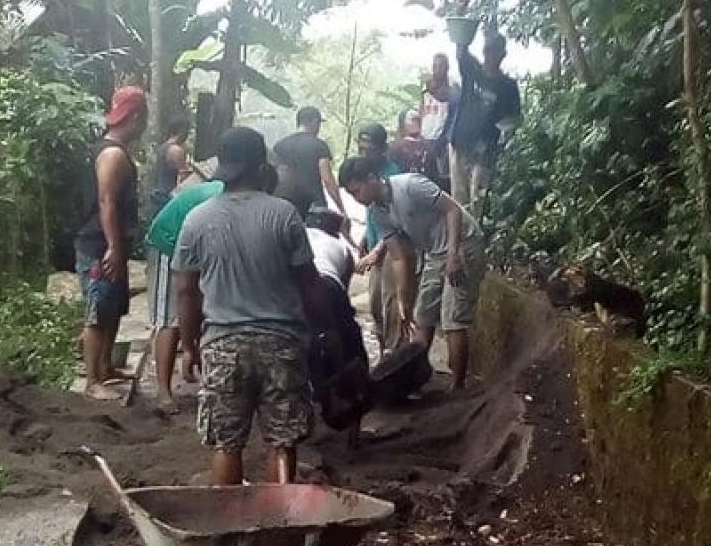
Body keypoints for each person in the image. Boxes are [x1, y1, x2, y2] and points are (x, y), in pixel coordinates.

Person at [173, 127, 326, 486]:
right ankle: (280, 529)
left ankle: (229, 530)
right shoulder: (284, 215)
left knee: (227, 444)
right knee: (282, 441)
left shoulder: (197, 220)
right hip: (282, 345)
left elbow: (185, 292)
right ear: (261, 167)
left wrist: (190, 345)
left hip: (223, 346)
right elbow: (309, 283)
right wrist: (325, 331)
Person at [339, 163, 487, 391]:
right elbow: (399, 258)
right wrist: (403, 301)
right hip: (434, 253)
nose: (356, 198)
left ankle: (458, 386)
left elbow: (453, 210)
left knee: (452, 317)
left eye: (357, 190)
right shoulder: (377, 213)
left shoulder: (410, 185)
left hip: (463, 244)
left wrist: (454, 254)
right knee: (421, 315)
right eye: (351, 194)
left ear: (372, 176)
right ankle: (413, 378)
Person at [76, 86, 146, 401]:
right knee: (98, 309)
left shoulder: (115, 150)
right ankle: (92, 380)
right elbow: (107, 202)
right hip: (99, 245)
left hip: (110, 242)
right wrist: (113, 247)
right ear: (135, 116)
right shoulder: (113, 154)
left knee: (114, 307)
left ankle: (105, 368)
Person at [145, 175, 224, 411]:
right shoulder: (221, 197)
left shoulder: (236, 195)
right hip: (167, 242)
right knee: (170, 317)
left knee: (198, 305)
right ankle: (163, 391)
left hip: (192, 245)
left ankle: (196, 366)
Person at [304, 205, 371, 441]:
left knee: (306, 352)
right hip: (329, 286)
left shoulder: (299, 235)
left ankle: (308, 420)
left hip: (297, 290)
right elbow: (343, 290)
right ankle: (354, 428)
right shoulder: (341, 246)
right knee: (353, 349)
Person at [450, 32, 521, 208]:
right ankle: (460, 234)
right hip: (460, 144)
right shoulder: (473, 70)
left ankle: (477, 234)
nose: (491, 55)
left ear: (503, 54)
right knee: (459, 199)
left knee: (479, 199)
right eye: (488, 51)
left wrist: (505, 137)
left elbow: (514, 118)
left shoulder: (508, 86)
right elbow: (461, 49)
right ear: (483, 51)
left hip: (485, 151)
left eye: (495, 51)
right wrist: (461, 11)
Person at [354, 124, 408, 352]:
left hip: (392, 246)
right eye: (362, 149)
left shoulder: (392, 173)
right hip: (376, 241)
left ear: (382, 149)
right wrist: (367, 235)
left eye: (370, 149)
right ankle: (383, 344)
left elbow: (396, 220)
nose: (365, 154)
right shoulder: (364, 172)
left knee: (390, 303)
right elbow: (373, 212)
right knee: (375, 303)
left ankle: (394, 352)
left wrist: (378, 248)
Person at [272, 106, 346, 219]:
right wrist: (342, 209)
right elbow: (327, 179)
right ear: (315, 122)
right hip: (314, 205)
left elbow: (273, 175)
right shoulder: (319, 146)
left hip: (284, 204)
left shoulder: (279, 146)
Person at [420, 53, 457, 191]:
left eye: (440, 66)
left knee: (443, 179)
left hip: (441, 142)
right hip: (425, 139)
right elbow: (421, 112)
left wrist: (443, 141)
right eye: (434, 66)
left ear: (447, 68)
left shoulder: (452, 90)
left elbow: (452, 116)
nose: (437, 70)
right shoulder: (426, 89)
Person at [151, 113, 193, 214]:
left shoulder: (161, 148)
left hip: (157, 196)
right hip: (168, 198)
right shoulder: (176, 150)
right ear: (182, 130)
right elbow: (184, 178)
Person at [388, 109, 430, 180]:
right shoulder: (395, 146)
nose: (415, 123)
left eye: (416, 120)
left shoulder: (427, 145)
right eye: (412, 120)